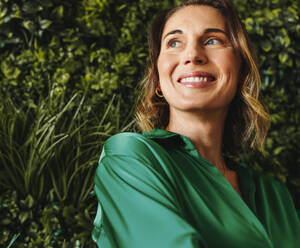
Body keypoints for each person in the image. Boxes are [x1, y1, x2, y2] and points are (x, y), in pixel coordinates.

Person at [91, 0, 300, 247]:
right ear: (158, 79)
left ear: (241, 69)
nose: (192, 55)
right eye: (174, 43)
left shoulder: (275, 196)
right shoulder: (128, 157)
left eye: (213, 40)